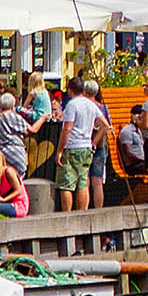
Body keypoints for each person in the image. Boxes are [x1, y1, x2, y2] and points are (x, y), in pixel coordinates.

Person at [55, 80, 105, 212]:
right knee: (82, 183)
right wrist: (94, 141)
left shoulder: (72, 105)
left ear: (70, 90)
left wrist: (60, 151)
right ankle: (82, 214)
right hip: (86, 147)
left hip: (72, 146)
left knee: (67, 184)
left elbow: (67, 129)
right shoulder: (91, 105)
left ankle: (68, 216)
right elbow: (105, 125)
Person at [0, 90, 31, 174]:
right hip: (14, 152)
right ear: (13, 105)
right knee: (17, 178)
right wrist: (42, 119)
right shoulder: (15, 117)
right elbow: (30, 131)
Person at [119, 107, 148, 205]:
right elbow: (128, 154)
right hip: (133, 165)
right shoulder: (127, 131)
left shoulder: (139, 130)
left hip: (141, 162)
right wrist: (144, 160)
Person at [0, 149, 30, 217]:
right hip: (7, 203)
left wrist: (4, 199)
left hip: (18, 205)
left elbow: (18, 190)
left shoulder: (8, 172)